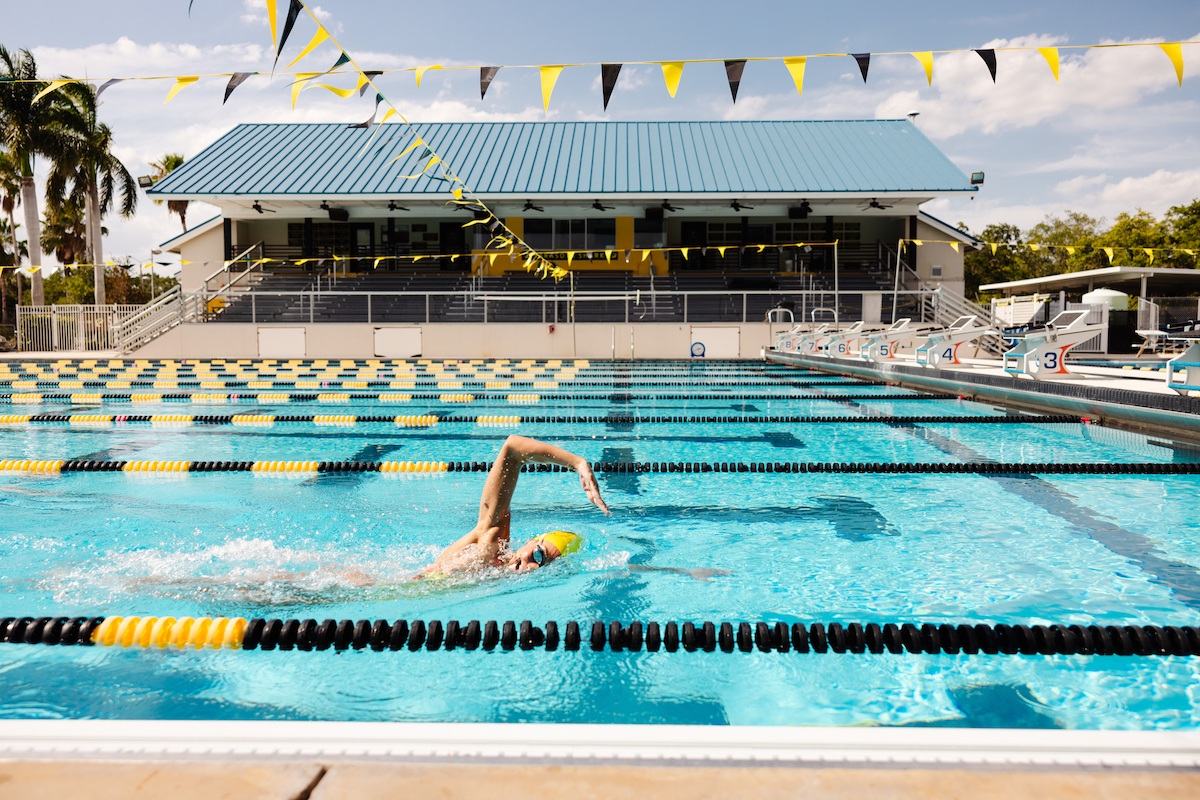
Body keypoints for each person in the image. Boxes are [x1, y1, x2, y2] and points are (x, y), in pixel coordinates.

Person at [420, 435, 609, 577]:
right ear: (530, 542)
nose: (532, 564)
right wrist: (578, 463)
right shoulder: (492, 544)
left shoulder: (501, 575)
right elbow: (512, 448)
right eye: (538, 554)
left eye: (543, 565)